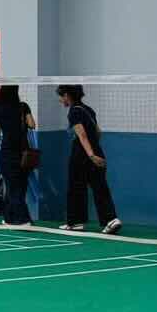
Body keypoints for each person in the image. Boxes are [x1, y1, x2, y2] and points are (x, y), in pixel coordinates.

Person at [58, 84, 122, 234]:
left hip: (82, 155)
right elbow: (98, 132)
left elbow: (82, 135)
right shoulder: (88, 109)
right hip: (96, 151)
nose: (60, 100)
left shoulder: (74, 111)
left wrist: (90, 155)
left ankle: (75, 222)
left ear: (67, 95)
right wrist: (94, 151)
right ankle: (111, 220)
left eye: (61, 96)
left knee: (75, 187)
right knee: (100, 187)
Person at [0, 85, 36, 225]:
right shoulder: (23, 106)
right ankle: (9, 218)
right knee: (20, 186)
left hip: (7, 153)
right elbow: (32, 124)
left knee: (11, 187)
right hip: (24, 153)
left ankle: (23, 219)